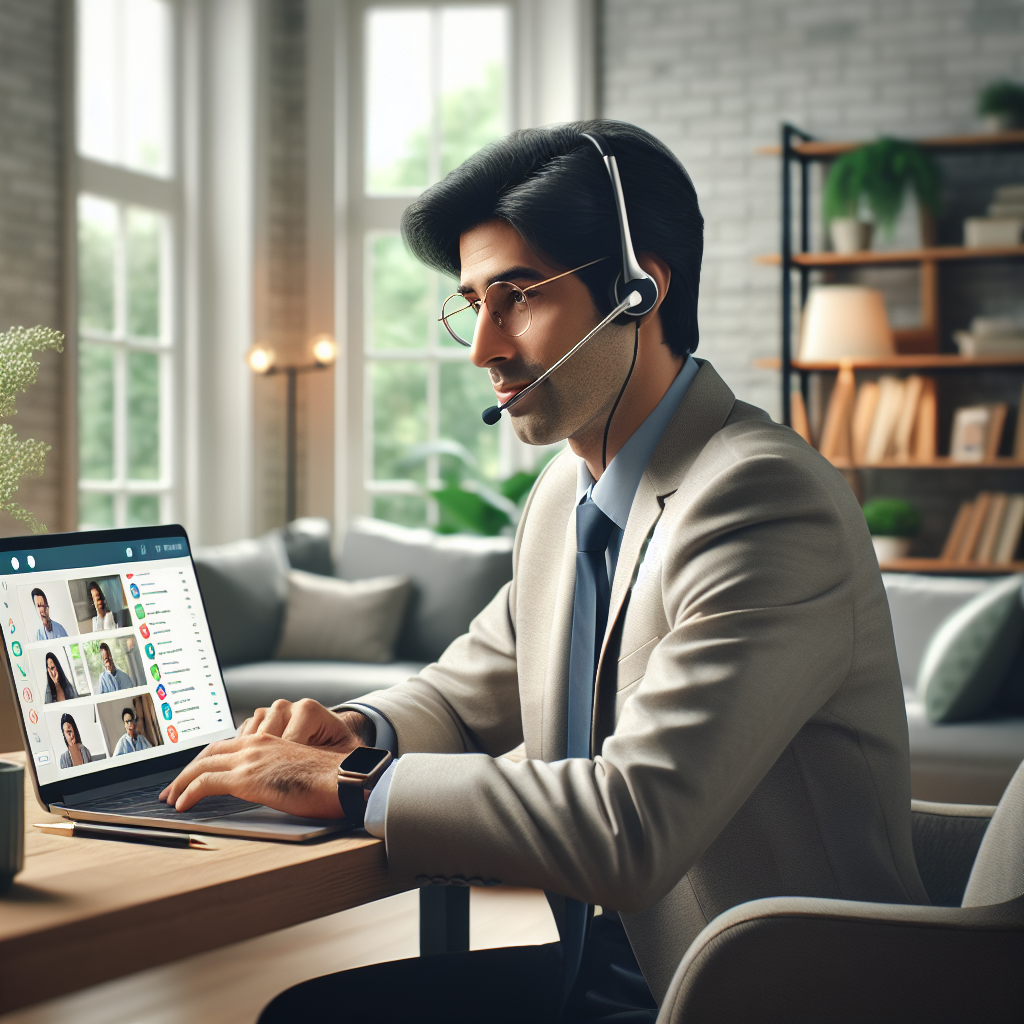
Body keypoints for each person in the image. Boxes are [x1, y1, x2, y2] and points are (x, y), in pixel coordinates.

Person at [161, 121, 926, 1023]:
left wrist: (346, 785)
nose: (483, 347)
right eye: (472, 304)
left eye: (516, 297)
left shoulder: (761, 497)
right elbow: (464, 695)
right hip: (618, 962)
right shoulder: (568, 491)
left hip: (769, 989)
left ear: (640, 290)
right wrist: (349, 730)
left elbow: (630, 825)